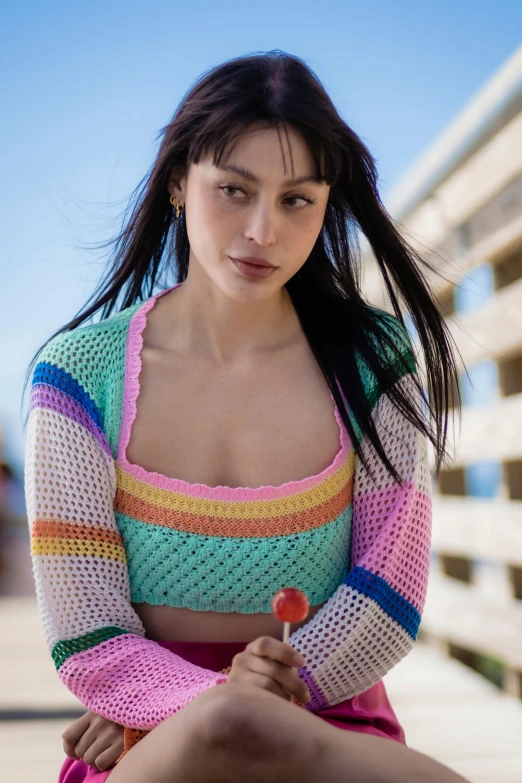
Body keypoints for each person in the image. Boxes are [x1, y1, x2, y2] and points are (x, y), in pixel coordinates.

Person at [22, 50, 469, 783]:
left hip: (328, 718)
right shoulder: (77, 376)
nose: (263, 229)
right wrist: (206, 703)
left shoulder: (374, 362)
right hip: (147, 722)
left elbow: (387, 597)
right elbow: (90, 634)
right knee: (228, 724)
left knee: (243, 723)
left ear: (327, 206)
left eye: (297, 200)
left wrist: (268, 700)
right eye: (234, 189)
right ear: (178, 183)